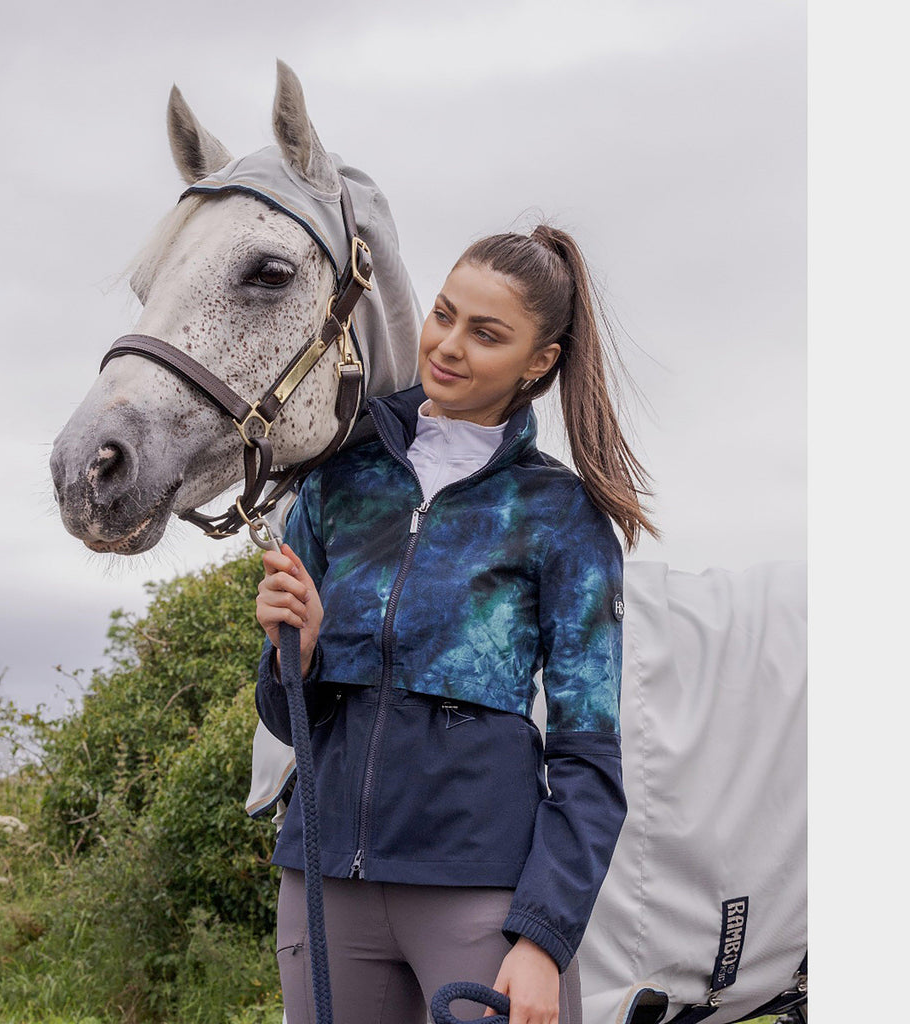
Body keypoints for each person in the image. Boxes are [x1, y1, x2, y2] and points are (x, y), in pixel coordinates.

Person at [254, 224, 658, 1024]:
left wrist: (542, 939)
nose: (447, 345)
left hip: (479, 890)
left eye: (487, 333)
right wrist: (291, 656)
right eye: (444, 315)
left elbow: (588, 755)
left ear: (538, 362)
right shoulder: (340, 480)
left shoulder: (562, 517)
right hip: (325, 882)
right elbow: (286, 716)